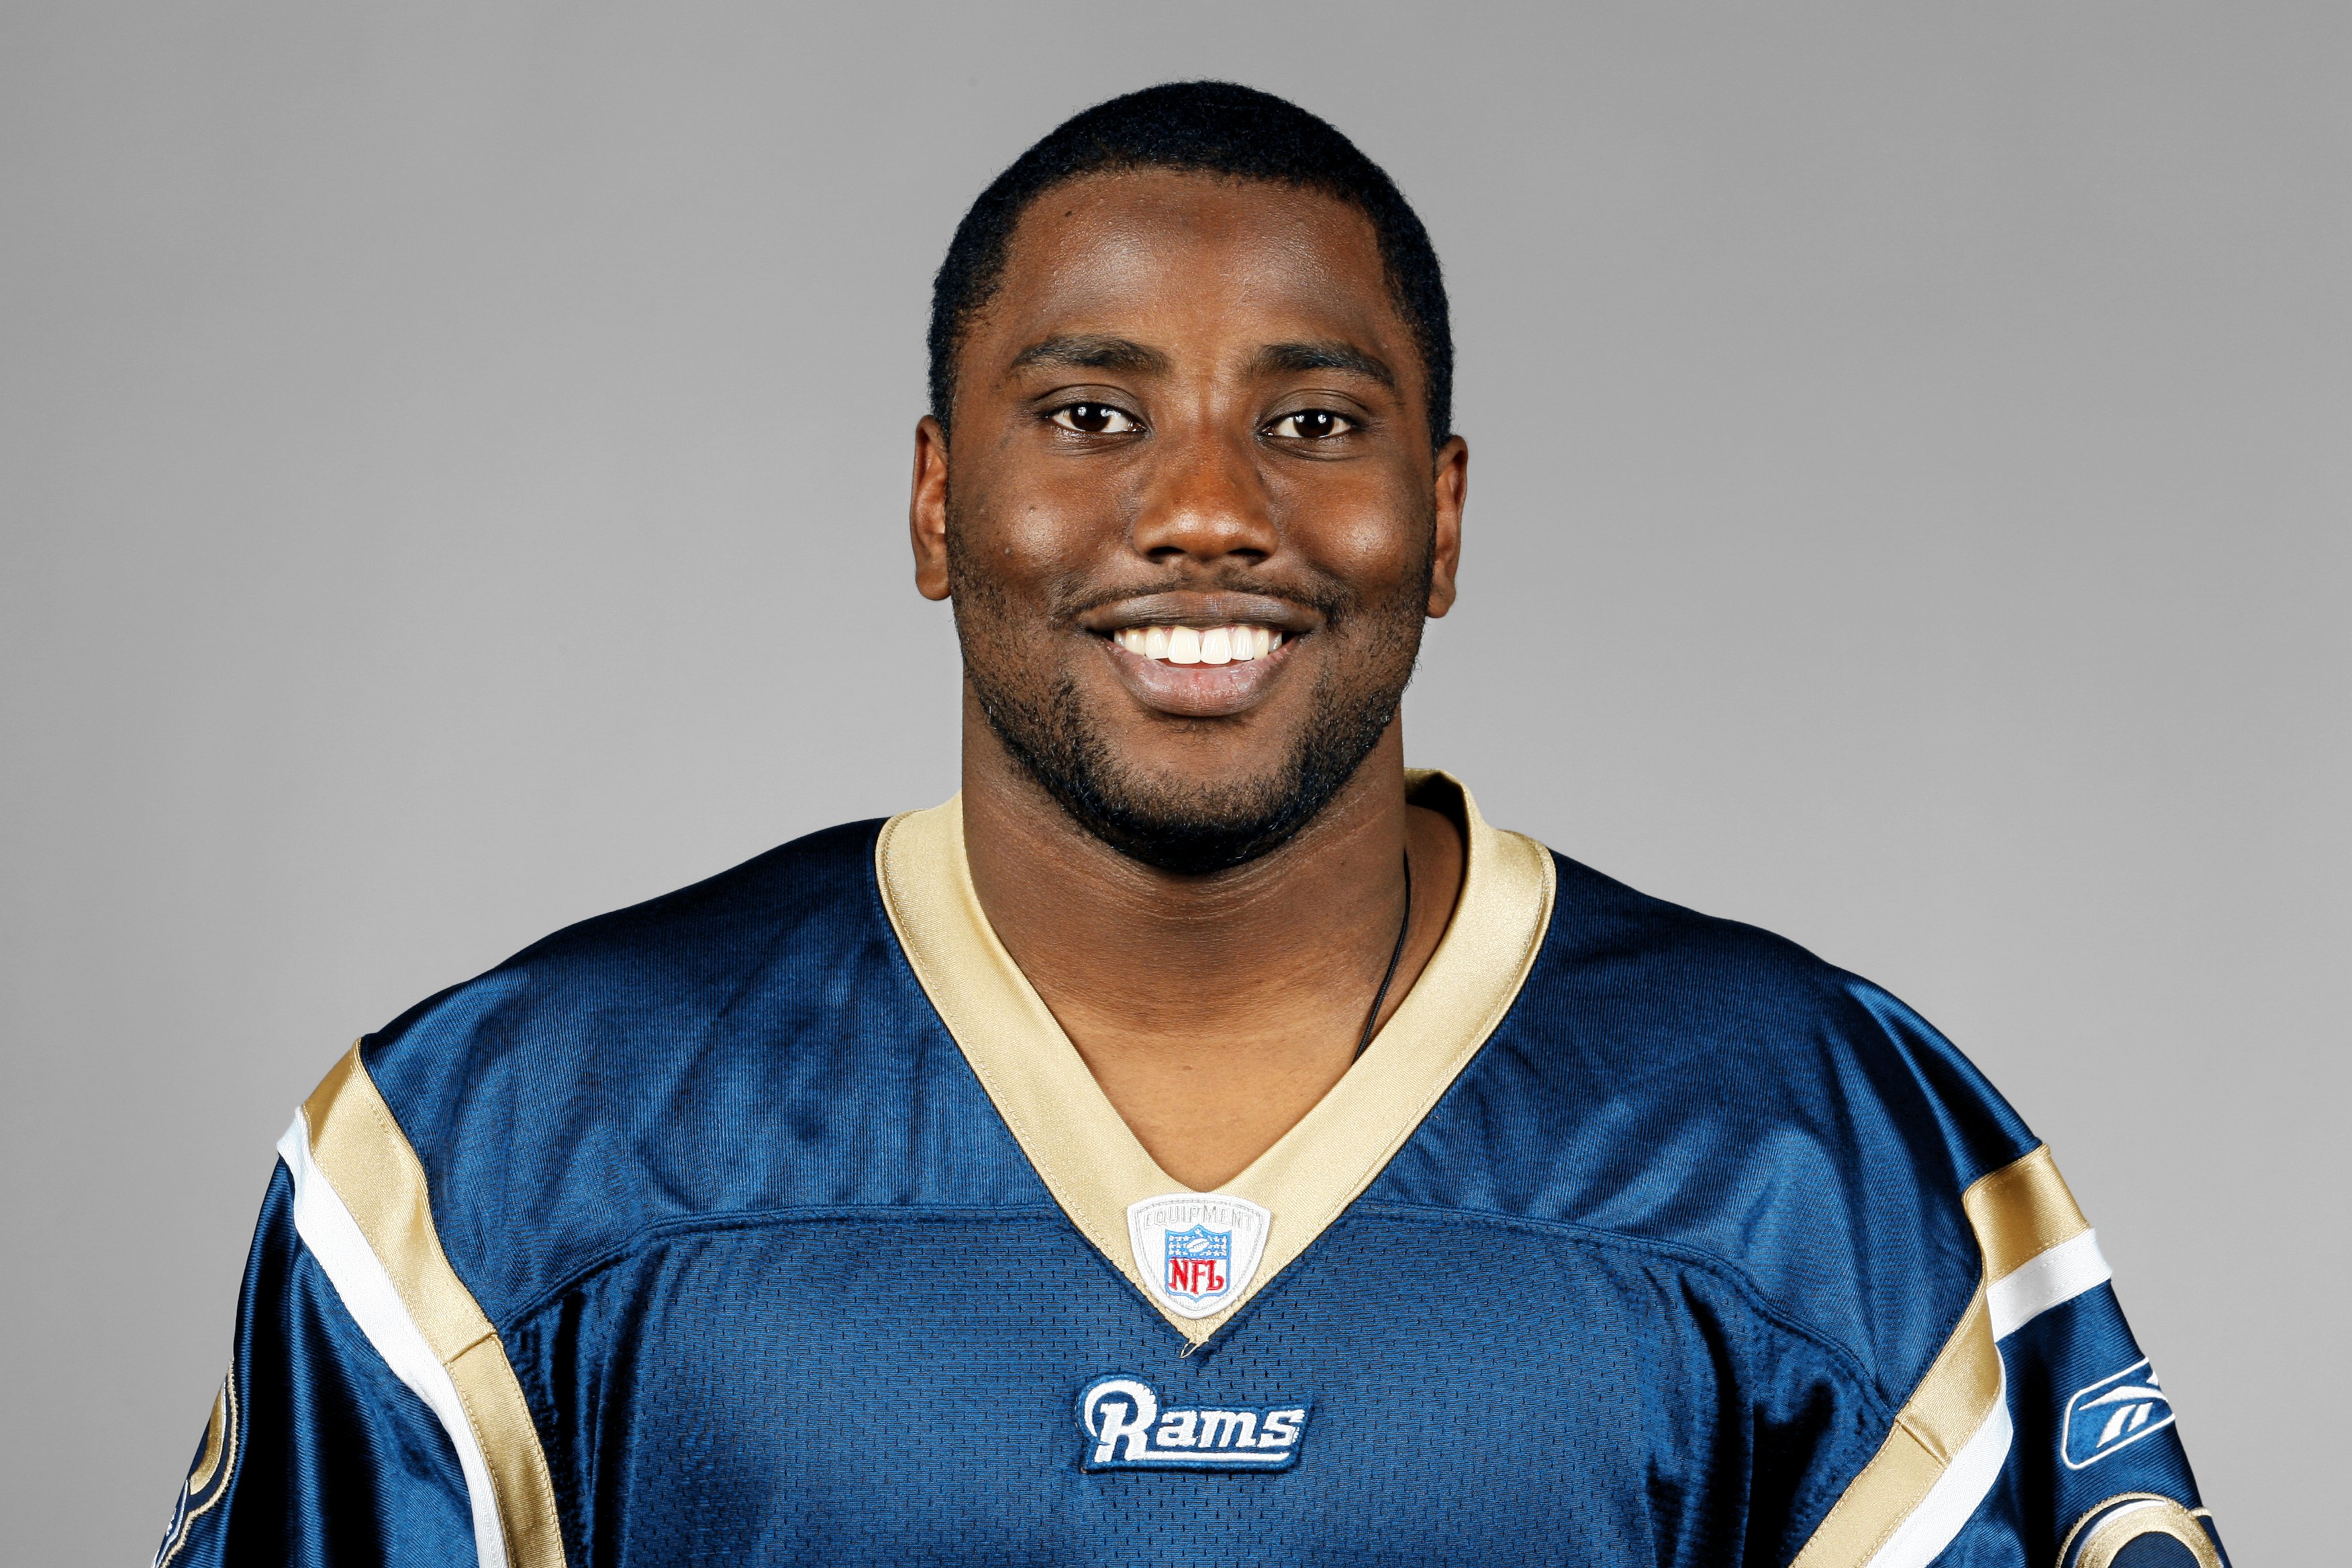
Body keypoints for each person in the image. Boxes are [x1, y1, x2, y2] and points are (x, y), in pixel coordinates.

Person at [153, 82, 2227, 1568]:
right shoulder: (507, 1140)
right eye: (1091, 415)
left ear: (1444, 516)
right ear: (937, 500)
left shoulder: (1818, 1153)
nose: (1211, 507)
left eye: (1312, 423)